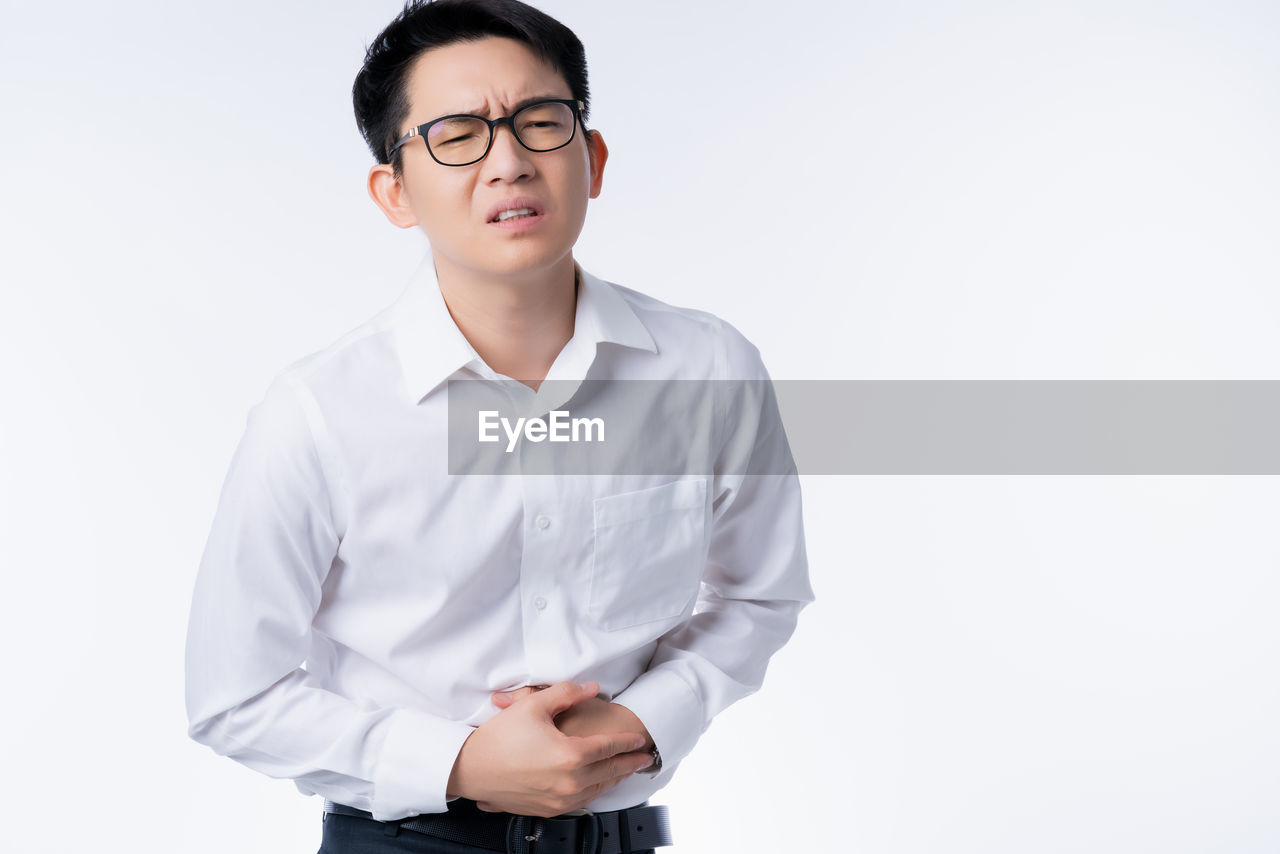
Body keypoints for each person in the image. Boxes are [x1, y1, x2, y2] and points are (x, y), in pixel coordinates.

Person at [183, 1, 815, 851]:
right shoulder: (319, 412)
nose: (508, 162)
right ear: (394, 192)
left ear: (590, 158)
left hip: (619, 835)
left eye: (540, 122)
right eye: (456, 135)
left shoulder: (706, 368)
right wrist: (464, 765)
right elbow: (233, 695)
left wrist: (641, 719)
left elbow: (760, 593)